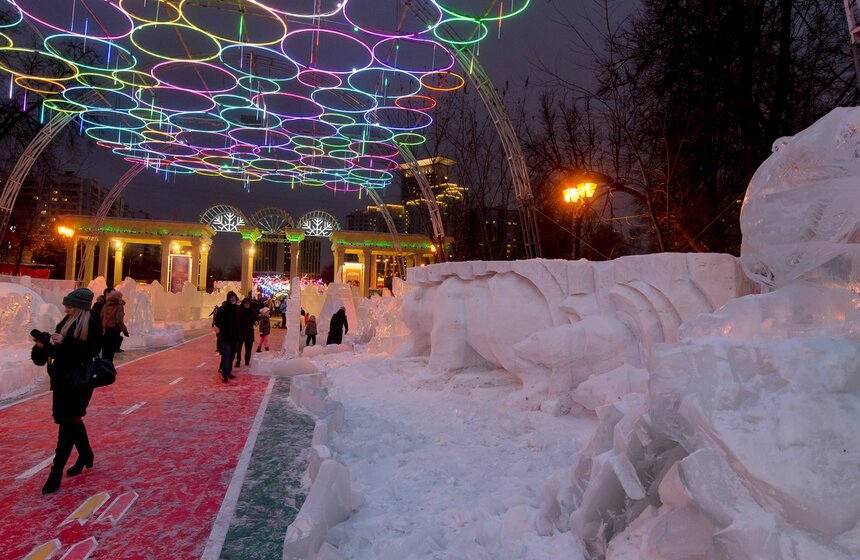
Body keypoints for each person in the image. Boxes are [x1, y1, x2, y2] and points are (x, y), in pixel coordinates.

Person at [31, 288, 103, 494]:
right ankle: (86, 455)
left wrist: (66, 343)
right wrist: (43, 346)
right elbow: (58, 353)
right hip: (62, 381)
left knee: (68, 424)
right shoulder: (65, 321)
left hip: (80, 382)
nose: (65, 309)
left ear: (80, 307)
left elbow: (90, 352)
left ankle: (56, 472)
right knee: (72, 421)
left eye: (69, 306)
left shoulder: (92, 323)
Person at [214, 291, 240, 382]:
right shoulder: (222, 309)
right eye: (231, 297)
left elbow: (241, 322)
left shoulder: (238, 309)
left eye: (234, 297)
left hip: (235, 337)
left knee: (232, 355)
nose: (233, 299)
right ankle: (225, 374)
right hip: (225, 337)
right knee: (226, 354)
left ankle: (228, 372)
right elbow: (218, 322)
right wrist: (221, 331)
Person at [100, 290, 129, 361]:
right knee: (111, 352)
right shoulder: (119, 307)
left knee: (105, 351)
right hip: (114, 331)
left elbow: (101, 317)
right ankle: (109, 366)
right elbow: (119, 321)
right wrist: (125, 331)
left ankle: (104, 366)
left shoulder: (105, 305)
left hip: (105, 330)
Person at [235, 298, 256, 367]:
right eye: (246, 303)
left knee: (248, 348)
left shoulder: (252, 311)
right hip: (240, 332)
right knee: (238, 348)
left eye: (248, 303)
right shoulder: (239, 311)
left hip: (249, 332)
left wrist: (256, 321)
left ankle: (247, 360)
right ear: (243, 304)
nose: (247, 304)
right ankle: (238, 361)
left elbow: (256, 318)